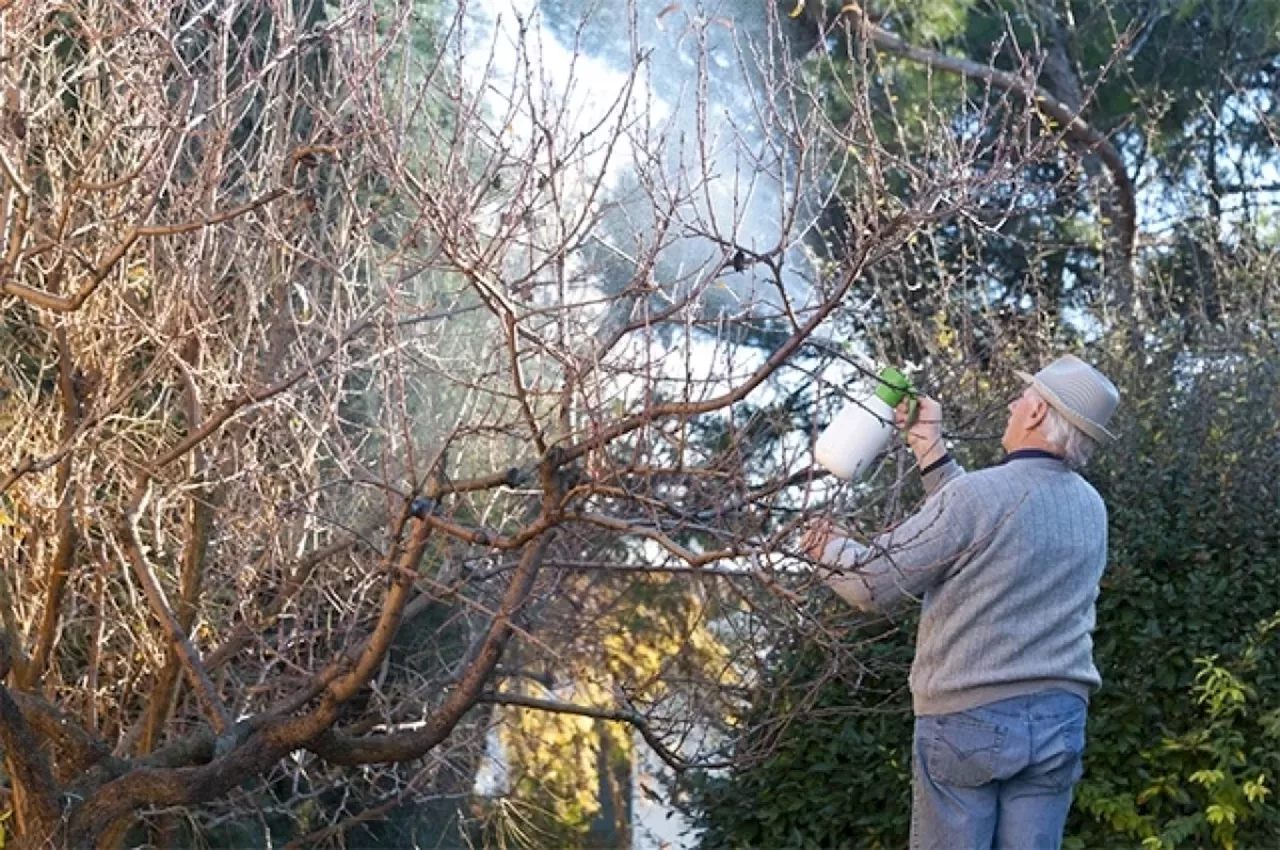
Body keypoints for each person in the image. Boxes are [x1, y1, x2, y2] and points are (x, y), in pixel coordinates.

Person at [802, 354, 1120, 850]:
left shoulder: (979, 496)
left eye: (1022, 398)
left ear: (1037, 415)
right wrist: (930, 448)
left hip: (969, 718)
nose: (1012, 406)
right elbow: (991, 529)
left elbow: (873, 585)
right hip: (1060, 717)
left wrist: (825, 549)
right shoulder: (1090, 507)